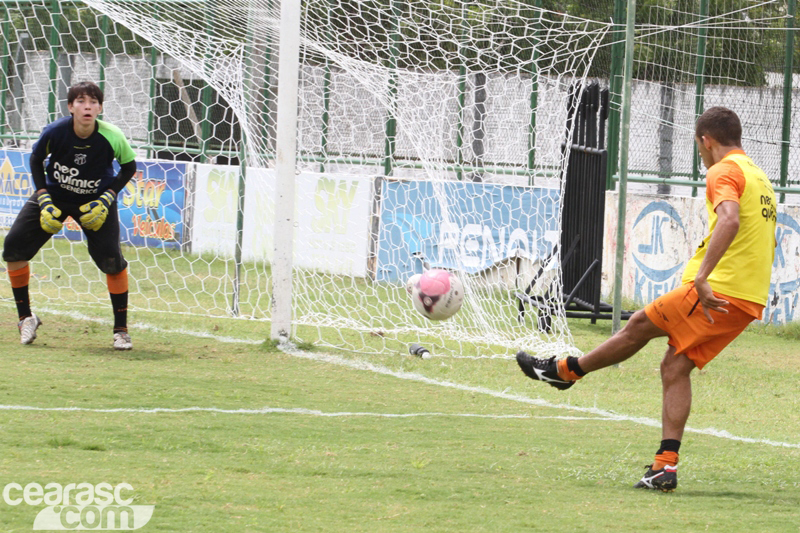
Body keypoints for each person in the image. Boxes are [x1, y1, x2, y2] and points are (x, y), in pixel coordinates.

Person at [516, 107, 777, 492]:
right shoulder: (759, 175)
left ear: (706, 140)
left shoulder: (723, 170)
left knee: (639, 324)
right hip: (746, 297)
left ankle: (566, 371)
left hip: (719, 290)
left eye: (698, 146)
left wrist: (703, 278)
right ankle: (664, 467)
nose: (700, 153)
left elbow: (731, 219)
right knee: (674, 367)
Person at [3, 81, 137, 350]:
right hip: (55, 195)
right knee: (13, 248)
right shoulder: (55, 132)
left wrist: (107, 198)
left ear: (100, 107)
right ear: (70, 107)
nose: (87, 106)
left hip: (95, 201)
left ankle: (121, 331)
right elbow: (35, 159)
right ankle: (25, 319)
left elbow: (129, 167)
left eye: (93, 102)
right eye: (80, 101)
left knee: (112, 262)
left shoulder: (113, 136)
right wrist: (43, 197)